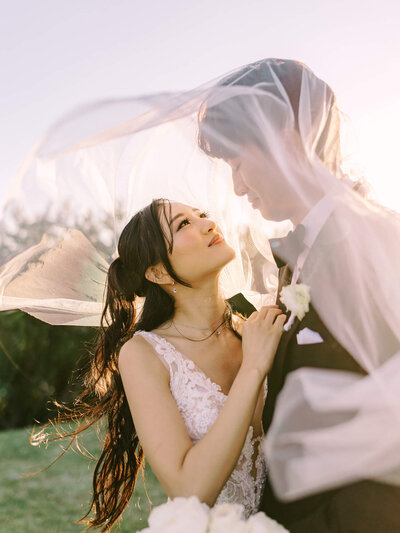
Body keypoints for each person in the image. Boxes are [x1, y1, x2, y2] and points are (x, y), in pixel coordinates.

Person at [197, 58, 400, 531]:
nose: (236, 185)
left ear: (284, 142)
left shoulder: (378, 240)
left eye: (237, 161)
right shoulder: (296, 259)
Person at [32, 197, 286, 530]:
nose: (208, 224)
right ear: (159, 272)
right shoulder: (143, 354)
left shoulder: (256, 332)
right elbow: (189, 491)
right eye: (183, 225)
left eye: (201, 215)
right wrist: (252, 370)